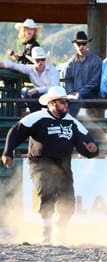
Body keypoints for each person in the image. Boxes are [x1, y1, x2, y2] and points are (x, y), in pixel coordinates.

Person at [1, 86, 99, 244]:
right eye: (62, 102)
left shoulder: (72, 122)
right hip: (39, 163)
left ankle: (60, 231)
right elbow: (16, 131)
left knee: (68, 203)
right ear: (51, 103)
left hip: (63, 167)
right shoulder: (37, 117)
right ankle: (46, 232)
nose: (66, 105)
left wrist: (92, 149)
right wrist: (8, 151)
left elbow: (87, 144)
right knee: (47, 191)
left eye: (66, 102)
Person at [0, 46, 60, 113]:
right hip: (40, 97)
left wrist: (37, 90)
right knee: (26, 92)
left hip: (52, 97)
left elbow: (54, 87)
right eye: (37, 60)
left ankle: (37, 115)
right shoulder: (30, 69)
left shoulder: (52, 69)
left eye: (42, 59)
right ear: (33, 60)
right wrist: (2, 64)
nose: (40, 62)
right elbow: (14, 65)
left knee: (28, 93)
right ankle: (36, 115)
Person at [64, 31, 103, 118]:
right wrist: (70, 93)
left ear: (87, 44)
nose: (81, 46)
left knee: (77, 97)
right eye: (78, 44)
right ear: (75, 45)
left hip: (90, 94)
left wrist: (77, 93)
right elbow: (68, 80)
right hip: (74, 95)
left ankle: (69, 119)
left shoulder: (96, 61)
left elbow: (94, 82)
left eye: (84, 43)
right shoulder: (71, 62)